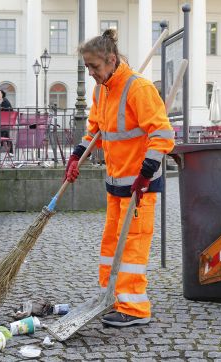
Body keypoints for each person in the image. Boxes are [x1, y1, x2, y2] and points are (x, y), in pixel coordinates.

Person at [65, 29, 174, 327]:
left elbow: (163, 135)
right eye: (87, 68)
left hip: (140, 184)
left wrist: (146, 174)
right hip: (116, 183)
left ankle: (135, 308)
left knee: (133, 246)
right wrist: (76, 156)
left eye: (95, 67)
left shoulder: (138, 88)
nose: (91, 73)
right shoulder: (102, 90)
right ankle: (111, 297)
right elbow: (95, 131)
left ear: (111, 60)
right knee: (112, 242)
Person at [0, 89, 13, 153]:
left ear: (2, 94)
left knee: (4, 135)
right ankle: (0, 150)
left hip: (5, 121)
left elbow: (11, 110)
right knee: (2, 136)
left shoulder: (5, 101)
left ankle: (1, 150)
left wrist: (3, 109)